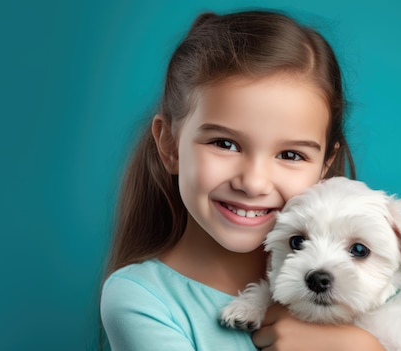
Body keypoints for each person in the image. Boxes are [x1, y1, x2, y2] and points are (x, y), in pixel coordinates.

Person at [100, 9, 385, 351]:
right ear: (170, 145)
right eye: (225, 144)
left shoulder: (364, 279)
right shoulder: (142, 299)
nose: (253, 182)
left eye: (291, 155)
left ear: (324, 166)